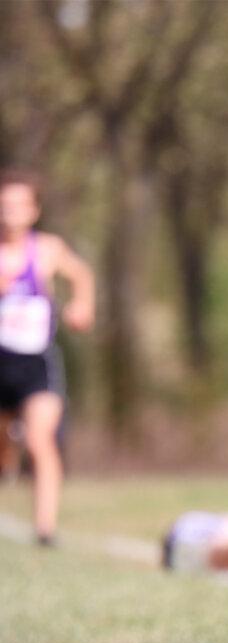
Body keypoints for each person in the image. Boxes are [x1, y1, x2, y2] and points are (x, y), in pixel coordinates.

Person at [0, 170, 94, 546]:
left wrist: (82, 305)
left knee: (42, 439)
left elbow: (82, 274)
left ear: (35, 211)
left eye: (20, 204)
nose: (11, 212)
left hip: (36, 363)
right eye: (5, 204)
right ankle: (8, 453)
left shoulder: (48, 250)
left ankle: (45, 529)